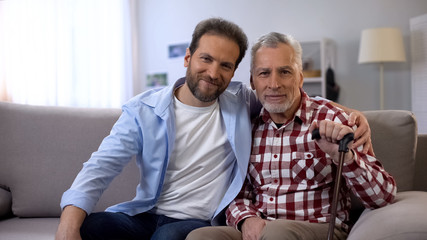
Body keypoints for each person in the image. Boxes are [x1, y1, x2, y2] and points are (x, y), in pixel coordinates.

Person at [55, 18, 372, 240]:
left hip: (198, 221)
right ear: (188, 58)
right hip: (145, 215)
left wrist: (354, 115)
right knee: (91, 226)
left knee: (169, 237)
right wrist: (67, 228)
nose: (213, 72)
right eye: (205, 59)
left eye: (225, 65)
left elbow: (288, 94)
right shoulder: (143, 110)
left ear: (235, 72)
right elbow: (99, 167)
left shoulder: (241, 100)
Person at [186, 32, 396, 240]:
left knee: (277, 232)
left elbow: (383, 196)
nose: (274, 84)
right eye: (264, 73)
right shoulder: (246, 126)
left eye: (285, 72)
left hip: (318, 229)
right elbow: (236, 193)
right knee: (201, 236)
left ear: (300, 77)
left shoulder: (336, 121)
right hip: (260, 228)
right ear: (252, 81)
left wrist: (344, 156)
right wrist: (246, 219)